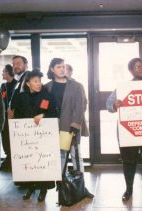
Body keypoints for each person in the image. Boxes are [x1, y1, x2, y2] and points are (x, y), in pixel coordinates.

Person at [106, 58, 142, 202]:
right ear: (131, 70)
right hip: (129, 132)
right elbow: (108, 104)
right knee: (128, 161)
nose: (141, 69)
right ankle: (128, 190)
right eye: (137, 67)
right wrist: (115, 105)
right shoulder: (123, 87)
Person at [45, 58, 94, 199]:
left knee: (75, 156)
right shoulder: (48, 86)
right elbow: (44, 105)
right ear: (52, 69)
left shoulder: (76, 86)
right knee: (60, 156)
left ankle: (81, 187)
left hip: (71, 125)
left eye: (63, 67)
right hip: (54, 126)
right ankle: (63, 187)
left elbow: (80, 107)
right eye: (58, 67)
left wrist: (75, 125)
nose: (62, 69)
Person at [13, 70, 57, 202]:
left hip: (43, 137)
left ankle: (43, 190)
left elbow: (54, 113)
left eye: (40, 81)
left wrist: (43, 115)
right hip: (26, 138)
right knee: (28, 162)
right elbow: (17, 116)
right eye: (35, 81)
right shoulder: (20, 97)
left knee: (42, 163)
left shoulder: (47, 97)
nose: (39, 84)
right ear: (28, 83)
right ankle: (30, 187)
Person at [65, 63, 89, 172]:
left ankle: (80, 180)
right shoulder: (56, 85)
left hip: (74, 123)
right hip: (61, 124)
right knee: (62, 153)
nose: (62, 71)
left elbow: (83, 104)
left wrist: (73, 118)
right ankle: (63, 183)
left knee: (75, 152)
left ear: (70, 72)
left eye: (65, 69)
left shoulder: (78, 86)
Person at [0, 64, 17, 171]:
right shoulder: (3, 86)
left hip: (13, 117)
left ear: (8, 72)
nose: (2, 73)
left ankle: (11, 160)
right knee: (5, 137)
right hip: (4, 117)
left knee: (12, 138)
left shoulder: (16, 85)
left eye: (3, 71)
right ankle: (8, 157)